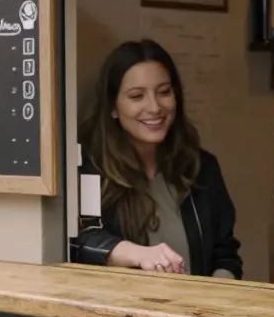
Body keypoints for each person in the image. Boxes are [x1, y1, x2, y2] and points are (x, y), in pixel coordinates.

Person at [71, 39, 243, 279]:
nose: (154, 107)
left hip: (197, 312)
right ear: (113, 108)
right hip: (126, 313)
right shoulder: (89, 168)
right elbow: (82, 240)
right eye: (136, 96)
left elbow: (224, 252)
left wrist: (219, 291)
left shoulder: (202, 167)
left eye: (164, 92)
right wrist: (139, 254)